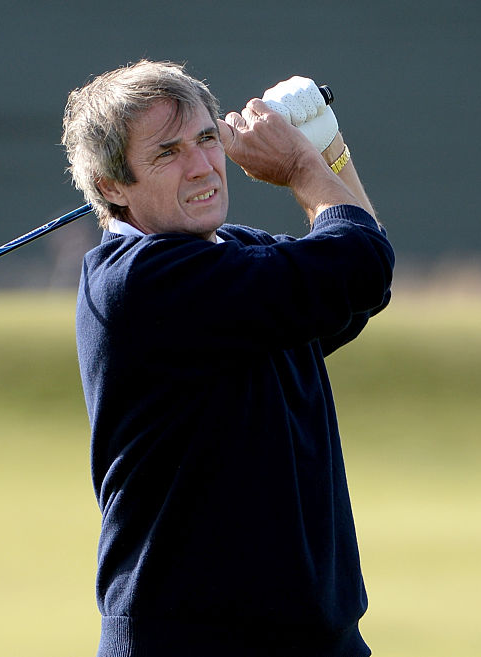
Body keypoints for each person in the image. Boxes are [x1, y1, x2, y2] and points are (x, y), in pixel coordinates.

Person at [62, 60, 394, 657]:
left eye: (207, 138)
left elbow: (360, 280)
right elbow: (357, 261)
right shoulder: (144, 280)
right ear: (111, 186)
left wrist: (329, 153)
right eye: (168, 153)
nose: (202, 166)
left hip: (316, 639)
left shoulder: (234, 254)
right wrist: (302, 167)